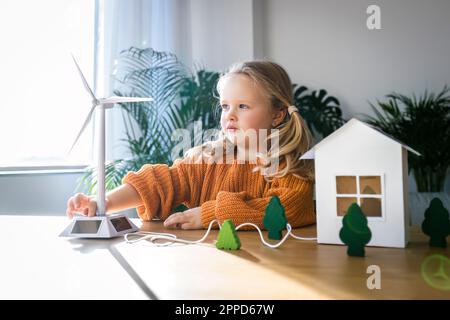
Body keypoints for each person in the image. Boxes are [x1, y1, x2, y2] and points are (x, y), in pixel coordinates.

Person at [66, 61, 316, 230]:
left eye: (243, 106)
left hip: (270, 270)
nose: (230, 115)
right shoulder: (209, 160)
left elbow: (287, 209)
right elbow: (160, 182)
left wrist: (210, 214)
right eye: (225, 106)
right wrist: (102, 202)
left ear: (277, 114)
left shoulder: (287, 166)